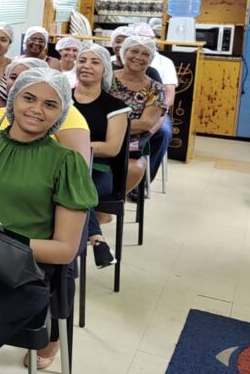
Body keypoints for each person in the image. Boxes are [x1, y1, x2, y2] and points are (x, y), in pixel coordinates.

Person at [0, 68, 97, 374]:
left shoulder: (66, 163)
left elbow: (65, 250)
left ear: (61, 112)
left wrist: (1, 238)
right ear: (13, 99)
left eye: (50, 105)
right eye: (29, 98)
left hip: (22, 278)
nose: (37, 110)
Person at [72, 45, 130, 268]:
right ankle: (96, 239)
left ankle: (68, 263)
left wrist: (73, 145)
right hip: (61, 168)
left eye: (94, 62)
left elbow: (112, 148)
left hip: (98, 171)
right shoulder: (62, 99)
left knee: (72, 188)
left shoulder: (115, 107)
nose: (86, 65)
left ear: (105, 70)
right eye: (82, 60)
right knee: (66, 185)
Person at [110, 36, 168, 195]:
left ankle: (111, 202)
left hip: (130, 140)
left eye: (145, 54)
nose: (138, 57)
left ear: (151, 59)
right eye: (134, 51)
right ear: (123, 53)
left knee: (135, 168)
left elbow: (146, 124)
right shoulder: (105, 78)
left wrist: (109, 128)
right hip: (97, 135)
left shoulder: (156, 89)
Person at [129, 23, 177, 183]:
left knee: (162, 133)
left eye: (147, 40)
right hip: (123, 113)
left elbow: (169, 94)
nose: (139, 55)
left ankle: (141, 181)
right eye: (137, 42)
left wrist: (159, 113)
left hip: (156, 111)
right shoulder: (115, 61)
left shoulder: (165, 63)